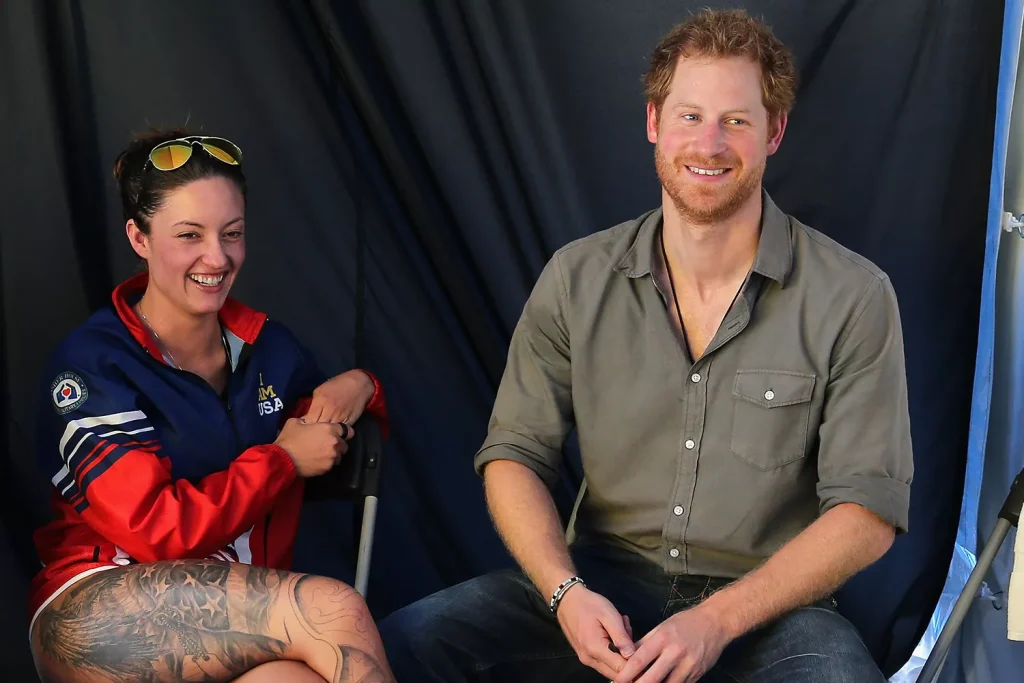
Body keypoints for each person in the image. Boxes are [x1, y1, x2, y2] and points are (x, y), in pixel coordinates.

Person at [379, 8, 913, 683]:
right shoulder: (577, 277)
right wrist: (563, 592)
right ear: (654, 123)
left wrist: (715, 621)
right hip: (599, 587)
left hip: (770, 611)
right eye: (690, 116)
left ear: (773, 132)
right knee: (402, 644)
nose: (710, 143)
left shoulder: (854, 295)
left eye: (736, 121)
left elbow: (868, 513)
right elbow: (513, 454)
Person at [27, 129, 397, 683]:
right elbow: (154, 529)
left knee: (291, 680)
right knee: (333, 610)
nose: (216, 257)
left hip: (237, 618)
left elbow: (337, 433)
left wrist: (362, 384)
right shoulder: (92, 366)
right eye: (189, 235)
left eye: (232, 234)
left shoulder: (269, 347)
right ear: (140, 237)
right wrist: (282, 461)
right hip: (95, 608)